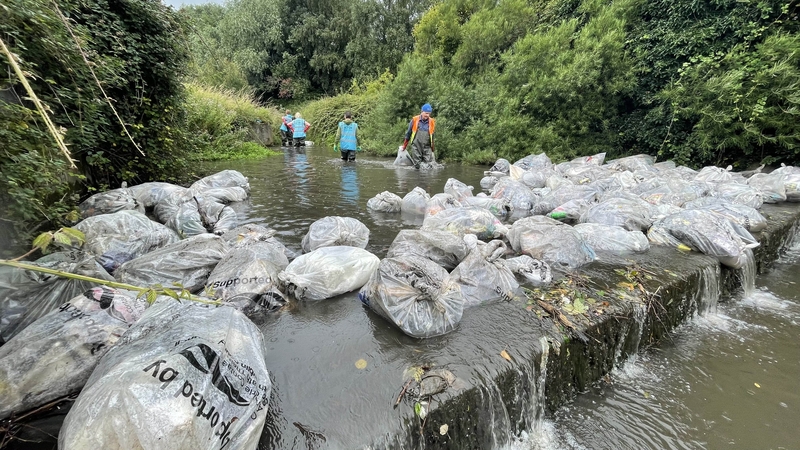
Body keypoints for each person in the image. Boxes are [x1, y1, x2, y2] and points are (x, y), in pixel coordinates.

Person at [401, 103, 436, 168]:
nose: (427, 115)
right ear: (422, 111)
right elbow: (408, 133)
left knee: (428, 166)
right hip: (416, 146)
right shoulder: (414, 120)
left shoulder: (432, 121)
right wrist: (404, 145)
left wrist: (432, 148)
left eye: (429, 113)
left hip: (427, 146)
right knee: (417, 165)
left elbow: (432, 136)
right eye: (426, 113)